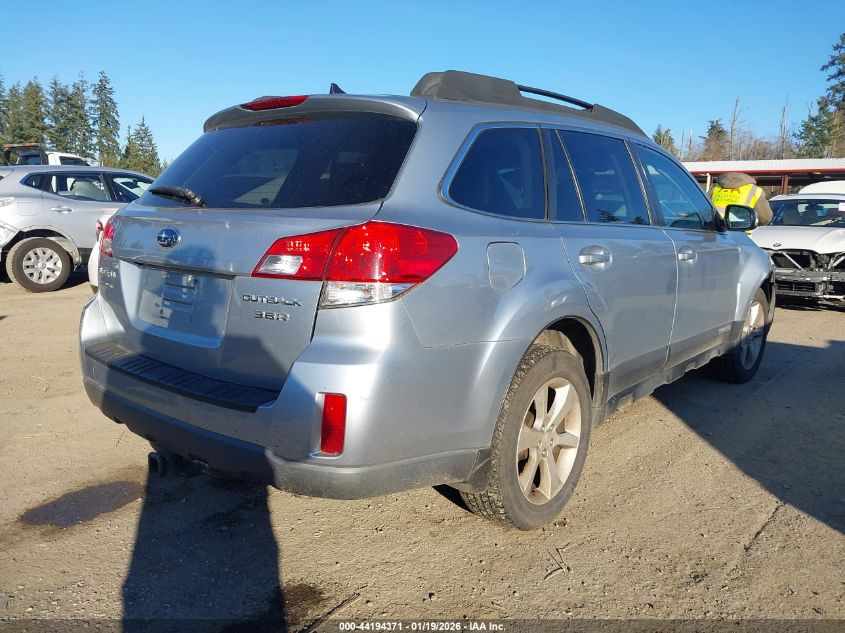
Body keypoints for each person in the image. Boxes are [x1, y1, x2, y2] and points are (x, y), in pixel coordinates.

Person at [707, 172, 773, 225]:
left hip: (713, 233)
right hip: (741, 235)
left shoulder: (714, 188)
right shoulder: (754, 190)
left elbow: (701, 209)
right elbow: (765, 218)